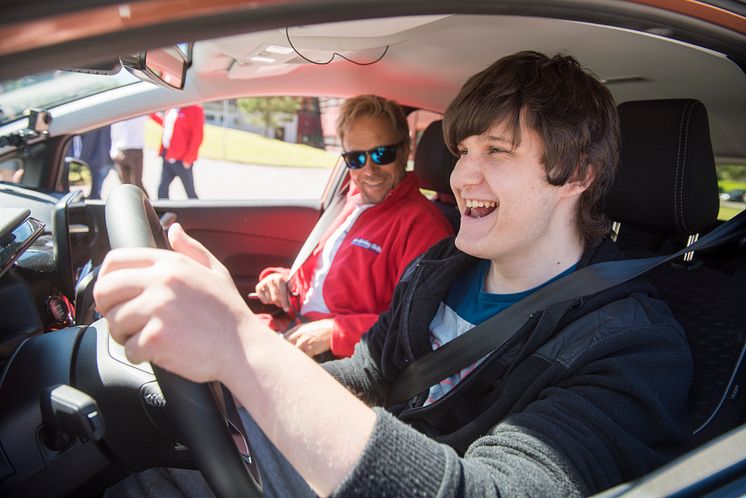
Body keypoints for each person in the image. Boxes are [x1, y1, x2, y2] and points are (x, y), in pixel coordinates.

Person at [96, 51, 692, 497]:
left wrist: (244, 348)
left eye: (497, 151)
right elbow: (371, 373)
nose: (461, 178)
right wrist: (241, 387)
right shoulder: (444, 269)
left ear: (578, 173)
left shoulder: (633, 345)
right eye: (462, 152)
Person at [254, 95, 453, 359]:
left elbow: (414, 323)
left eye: (382, 154)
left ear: (406, 150)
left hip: (344, 356)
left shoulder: (423, 226)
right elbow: (319, 279)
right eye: (356, 158)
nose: (369, 170)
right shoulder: (351, 202)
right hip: (295, 329)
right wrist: (281, 283)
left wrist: (335, 332)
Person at [150, 105, 204, 199]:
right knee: (162, 189)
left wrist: (188, 159)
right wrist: (152, 115)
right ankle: (164, 213)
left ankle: (199, 213)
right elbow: (167, 125)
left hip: (181, 160)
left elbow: (198, 135)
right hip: (167, 156)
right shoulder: (171, 107)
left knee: (190, 192)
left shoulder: (194, 109)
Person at [110, 116, 148, 194]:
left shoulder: (139, 115)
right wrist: (114, 153)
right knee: (125, 185)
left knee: (137, 184)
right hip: (121, 151)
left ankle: (147, 204)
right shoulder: (119, 116)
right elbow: (114, 135)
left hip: (136, 151)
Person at [74, 125, 113, 200]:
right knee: (95, 192)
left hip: (97, 161)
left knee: (94, 192)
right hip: (100, 159)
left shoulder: (94, 120)